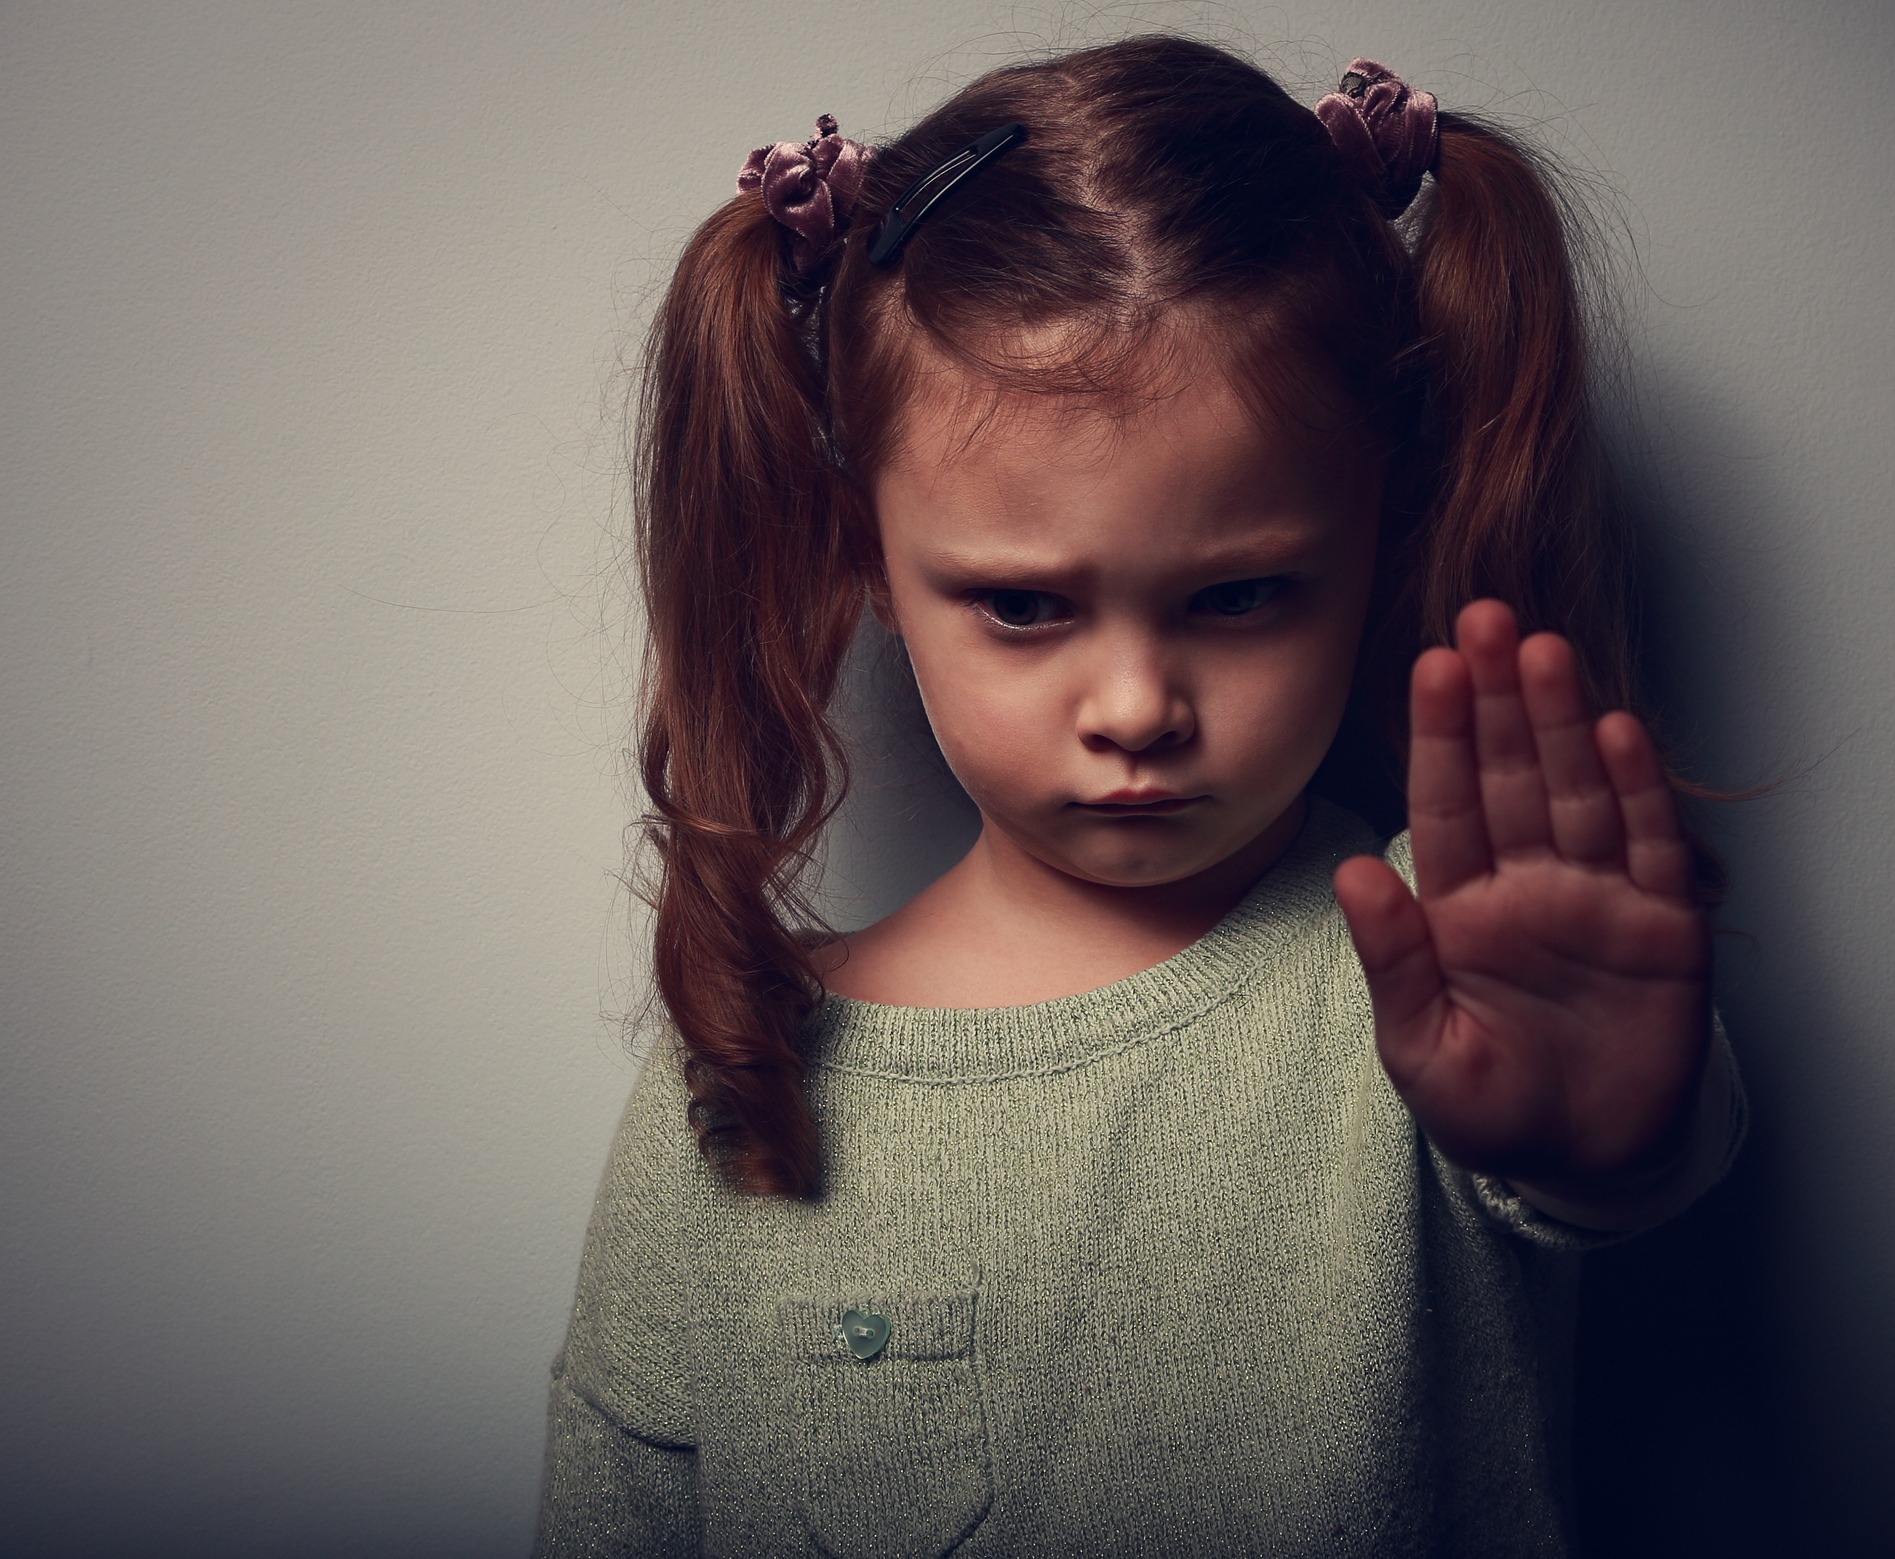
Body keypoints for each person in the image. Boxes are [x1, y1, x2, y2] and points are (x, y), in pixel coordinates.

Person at [533, 35, 1744, 1557]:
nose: (1134, 712)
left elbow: (1610, 1144)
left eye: (1239, 596)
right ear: (867, 561)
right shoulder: (745, 1077)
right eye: (1025, 608)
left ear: (1380, 531)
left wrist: (1610, 1144)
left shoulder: (1455, 974)